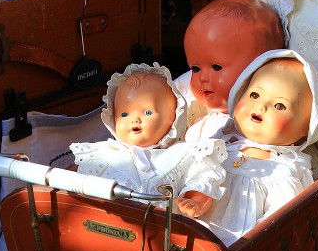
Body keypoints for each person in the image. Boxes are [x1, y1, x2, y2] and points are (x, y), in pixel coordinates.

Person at [198, 49, 318, 247]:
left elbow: (278, 225)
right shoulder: (218, 140)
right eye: (254, 94)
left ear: (306, 129)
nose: (261, 106)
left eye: (280, 106)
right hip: (187, 235)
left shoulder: (283, 172)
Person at [70, 62, 227, 218]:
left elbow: (201, 179)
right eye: (124, 114)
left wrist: (195, 201)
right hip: (109, 230)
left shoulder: (183, 154)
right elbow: (75, 181)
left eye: (147, 112)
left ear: (172, 117)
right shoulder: (102, 154)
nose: (135, 119)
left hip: (164, 235)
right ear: (113, 117)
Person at [180, 0, 285, 140]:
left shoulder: (265, 125)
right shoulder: (195, 120)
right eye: (195, 69)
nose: (203, 77)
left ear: (262, 67)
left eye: (216, 67)